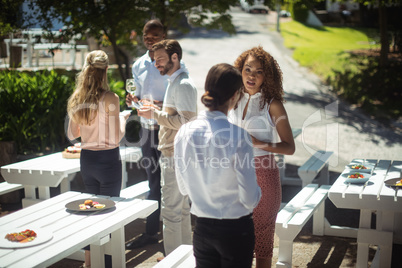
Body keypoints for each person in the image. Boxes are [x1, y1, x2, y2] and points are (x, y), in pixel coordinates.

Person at [174, 63, 262, 268]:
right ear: (235, 96)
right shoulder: (239, 136)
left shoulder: (184, 132)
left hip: (202, 229)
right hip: (235, 230)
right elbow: (249, 199)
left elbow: (183, 188)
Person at [229, 46, 295, 268]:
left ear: (266, 76)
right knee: (237, 241)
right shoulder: (233, 99)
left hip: (264, 176)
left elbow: (289, 147)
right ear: (240, 70)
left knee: (262, 243)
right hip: (235, 175)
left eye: (258, 71)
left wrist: (258, 143)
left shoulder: (273, 105)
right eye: (247, 69)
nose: (251, 75)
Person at [67, 50, 130, 268]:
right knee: (109, 213)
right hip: (108, 160)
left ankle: (88, 263)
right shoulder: (111, 98)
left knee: (91, 210)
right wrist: (123, 119)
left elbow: (71, 134)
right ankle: (108, 264)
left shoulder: (78, 98)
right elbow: (115, 137)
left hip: (87, 161)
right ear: (105, 71)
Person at [137, 39, 197, 256]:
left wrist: (154, 114)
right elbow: (175, 115)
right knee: (180, 211)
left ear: (175, 57)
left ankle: (173, 260)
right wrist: (157, 109)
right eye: (154, 60)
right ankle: (185, 258)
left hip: (175, 156)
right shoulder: (175, 81)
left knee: (171, 213)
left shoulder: (182, 84)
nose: (156, 64)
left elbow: (186, 122)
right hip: (175, 154)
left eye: (160, 59)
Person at [125, 19, 166, 250]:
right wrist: (133, 100)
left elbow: (176, 100)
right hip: (146, 132)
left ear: (164, 35)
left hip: (167, 131)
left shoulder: (171, 64)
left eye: (155, 35)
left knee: (168, 182)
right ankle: (151, 233)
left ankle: (167, 229)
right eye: (146, 35)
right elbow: (138, 98)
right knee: (153, 181)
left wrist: (157, 105)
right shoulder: (138, 64)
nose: (149, 39)